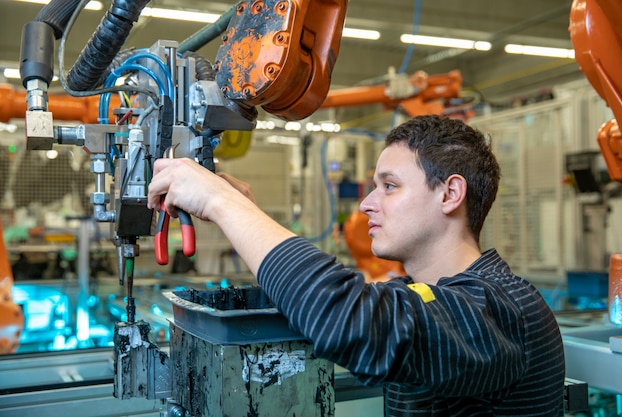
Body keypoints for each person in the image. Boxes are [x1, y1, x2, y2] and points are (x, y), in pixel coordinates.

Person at [147, 114, 565, 416]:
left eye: (389, 186)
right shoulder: (428, 293)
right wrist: (247, 216)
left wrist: (223, 204)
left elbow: (345, 319)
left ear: (450, 194)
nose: (366, 204)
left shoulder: (504, 308)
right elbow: (330, 306)